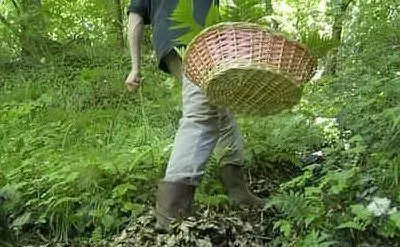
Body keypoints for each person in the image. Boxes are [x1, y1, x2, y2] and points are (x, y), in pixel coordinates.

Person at [125, 0, 264, 231]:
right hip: (185, 39)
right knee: (201, 115)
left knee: (221, 111)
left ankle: (238, 192)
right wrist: (135, 67)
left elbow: (136, 18)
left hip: (213, 42)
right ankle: (171, 212)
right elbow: (135, 17)